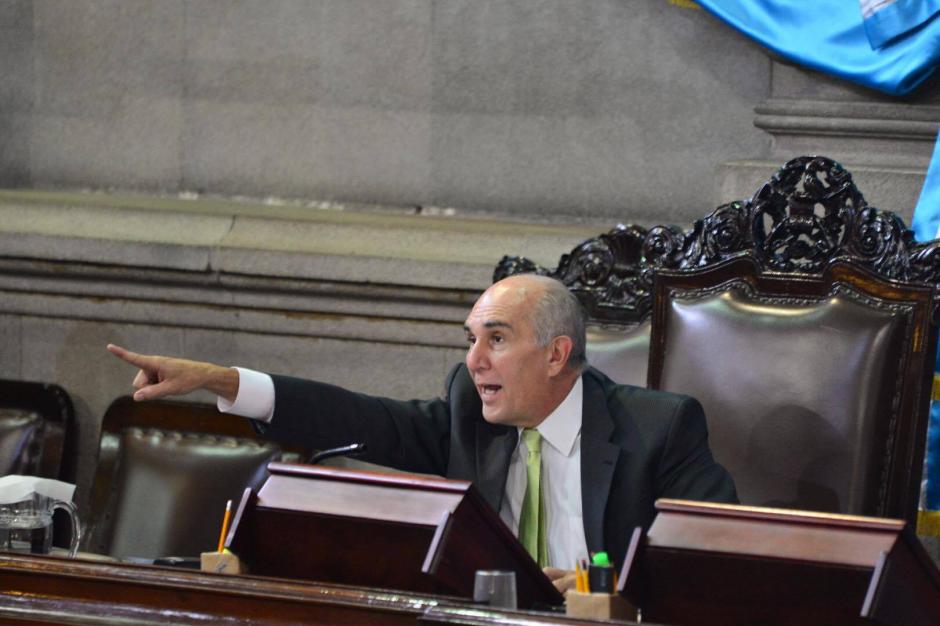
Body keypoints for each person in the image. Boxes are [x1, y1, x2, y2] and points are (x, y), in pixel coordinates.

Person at [108, 273, 737, 592]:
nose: (474, 361)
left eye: (497, 339)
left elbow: (715, 559)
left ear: (555, 354)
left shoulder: (661, 427)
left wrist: (593, 581)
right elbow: (362, 419)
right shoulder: (470, 411)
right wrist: (222, 380)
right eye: (471, 340)